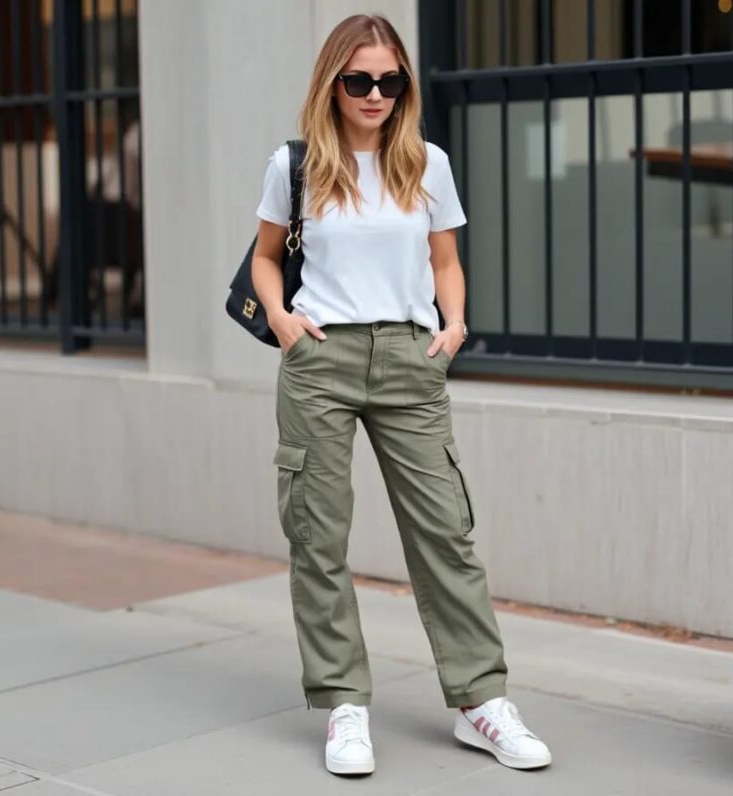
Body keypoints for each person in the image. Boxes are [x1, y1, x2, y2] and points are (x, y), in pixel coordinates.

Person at [250, 13, 552, 777]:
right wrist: (283, 321)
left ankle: (480, 703)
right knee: (318, 536)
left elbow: (444, 259)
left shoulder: (427, 163)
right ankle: (344, 706)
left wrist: (454, 325)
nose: (376, 93)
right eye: (360, 80)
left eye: (390, 80)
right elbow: (262, 259)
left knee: (445, 533)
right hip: (323, 357)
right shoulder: (296, 165)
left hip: (411, 358)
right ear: (333, 82)